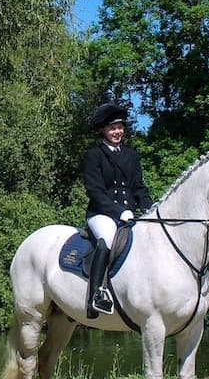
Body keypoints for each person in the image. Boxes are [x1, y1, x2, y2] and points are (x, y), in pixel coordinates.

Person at [81, 102, 152, 318]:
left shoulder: (131, 155)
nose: (117, 132)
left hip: (130, 213)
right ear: (103, 130)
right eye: (112, 128)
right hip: (102, 213)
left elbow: (138, 187)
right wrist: (118, 211)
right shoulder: (94, 155)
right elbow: (95, 191)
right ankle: (96, 296)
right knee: (108, 240)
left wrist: (151, 209)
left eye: (120, 127)